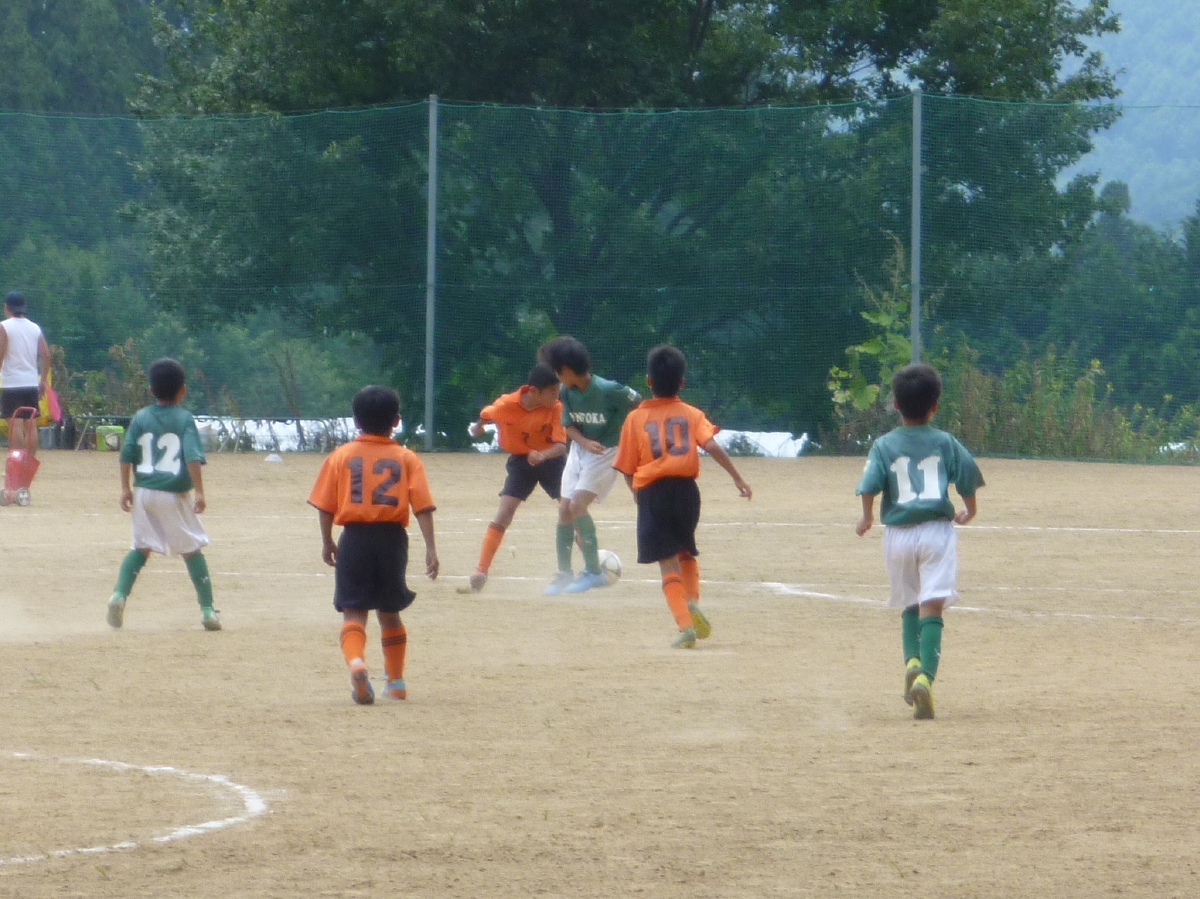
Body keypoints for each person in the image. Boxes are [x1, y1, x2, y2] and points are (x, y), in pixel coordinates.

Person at [855, 362, 985, 721]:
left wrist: (867, 517)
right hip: (934, 532)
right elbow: (967, 477)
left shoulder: (883, 445)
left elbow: (868, 486)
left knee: (910, 602)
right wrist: (970, 510)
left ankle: (911, 661)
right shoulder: (945, 442)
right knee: (932, 605)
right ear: (935, 406)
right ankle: (925, 678)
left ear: (896, 405)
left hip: (897, 535)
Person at [613, 345, 752, 648]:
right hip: (687, 492)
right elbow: (712, 445)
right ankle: (693, 601)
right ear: (682, 383)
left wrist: (638, 495)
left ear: (649, 381)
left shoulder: (635, 419)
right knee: (685, 550)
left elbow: (626, 468)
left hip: (653, 492)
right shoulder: (691, 414)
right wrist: (737, 478)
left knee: (667, 562)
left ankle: (685, 626)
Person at [308, 386, 439, 705]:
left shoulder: (341, 456)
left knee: (353, 611)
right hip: (392, 540)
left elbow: (325, 506)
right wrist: (431, 549)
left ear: (355, 421)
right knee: (390, 611)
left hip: (354, 538)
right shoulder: (407, 458)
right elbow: (422, 507)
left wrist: (327, 541)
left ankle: (357, 663)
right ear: (396, 421)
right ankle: (396, 683)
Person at [106, 358, 220, 632]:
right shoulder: (184, 419)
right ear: (183, 390)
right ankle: (207, 611)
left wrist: (125, 488)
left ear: (151, 390)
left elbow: (126, 454)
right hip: (173, 493)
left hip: (143, 492)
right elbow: (192, 456)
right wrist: (199, 491)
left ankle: (119, 595)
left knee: (140, 548)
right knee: (192, 550)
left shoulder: (140, 417)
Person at [539, 336, 641, 595]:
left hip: (606, 452)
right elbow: (569, 427)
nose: (556, 377)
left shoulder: (609, 389)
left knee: (577, 505)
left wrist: (629, 434)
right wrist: (584, 442)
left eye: (556, 372)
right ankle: (564, 574)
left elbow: (638, 402)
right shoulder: (566, 392)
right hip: (580, 451)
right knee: (565, 509)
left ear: (566, 370)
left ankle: (594, 572)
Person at [465, 363, 567, 592]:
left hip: (552, 461)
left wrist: (542, 455)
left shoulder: (556, 408)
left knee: (570, 509)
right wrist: (478, 427)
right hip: (522, 462)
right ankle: (481, 570)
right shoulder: (506, 405)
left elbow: (561, 446)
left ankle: (591, 566)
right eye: (553, 391)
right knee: (504, 512)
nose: (557, 395)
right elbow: (487, 414)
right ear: (534, 391)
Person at [0, 291, 50, 453]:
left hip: (11, 383)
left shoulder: (4, 326)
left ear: (6, 308)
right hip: (31, 382)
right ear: (24, 307)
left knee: (14, 423)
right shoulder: (34, 328)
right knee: (30, 424)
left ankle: (18, 461)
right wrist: (43, 380)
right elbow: (46, 355)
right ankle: (29, 462)